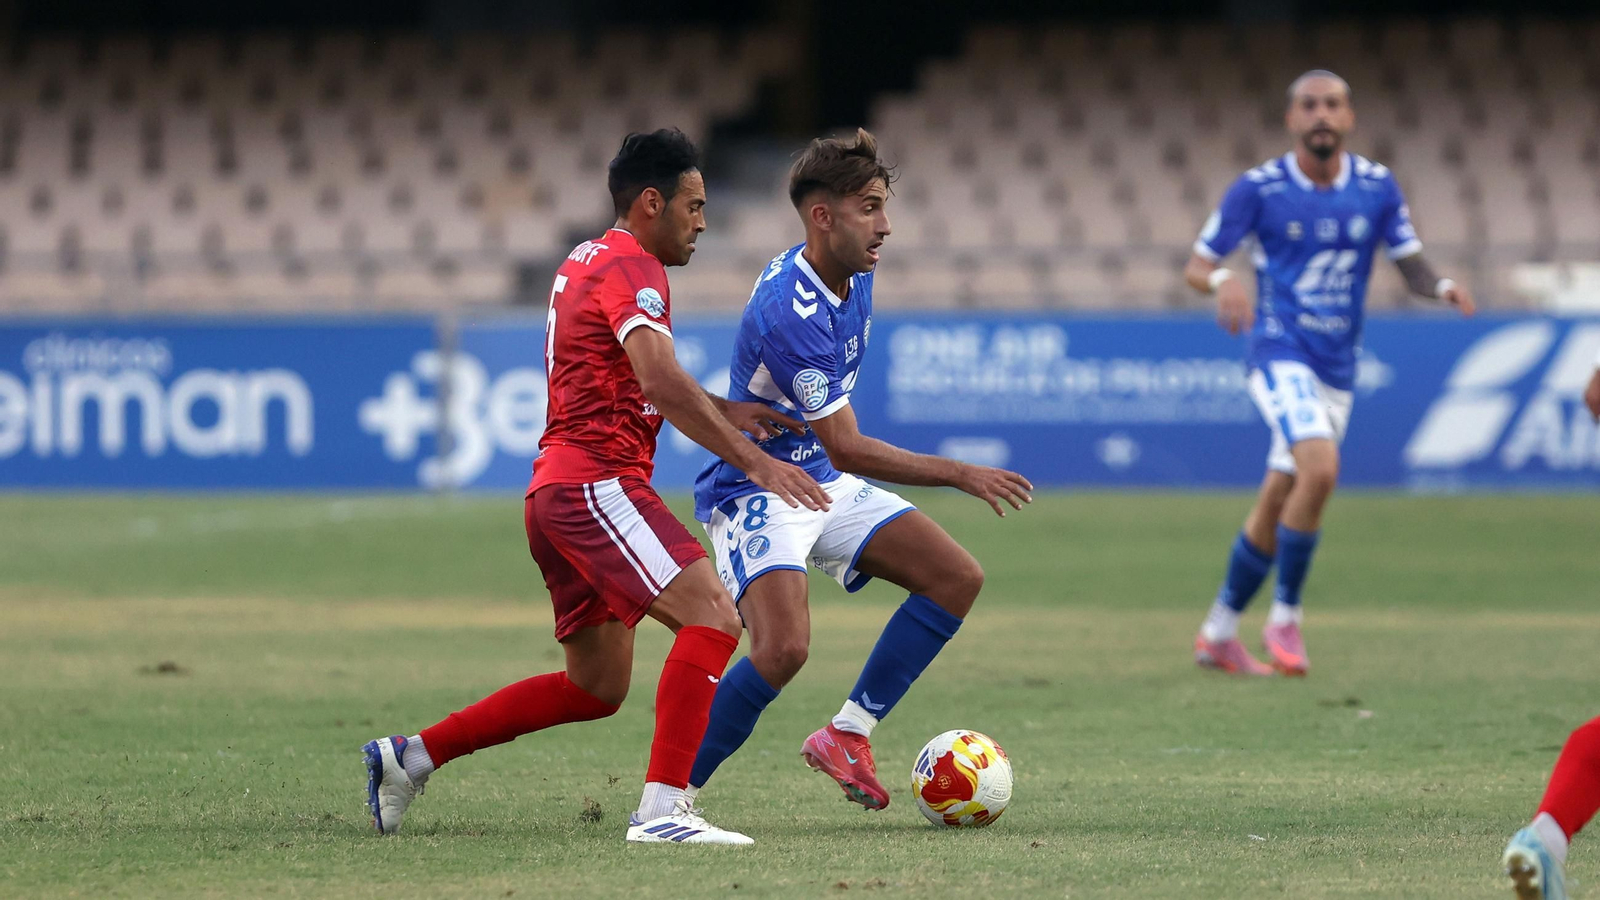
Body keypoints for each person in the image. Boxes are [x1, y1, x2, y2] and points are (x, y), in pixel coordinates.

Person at [361, 128, 831, 845]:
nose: (702, 221)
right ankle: (664, 812)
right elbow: (656, 379)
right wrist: (754, 459)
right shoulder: (635, 266)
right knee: (714, 615)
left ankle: (410, 757)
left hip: (556, 494)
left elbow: (630, 378)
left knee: (596, 687)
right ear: (652, 202)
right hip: (596, 485)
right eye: (694, 205)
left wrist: (725, 409)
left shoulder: (590, 258)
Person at [681, 129, 1033, 812]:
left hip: (818, 480)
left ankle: (848, 733)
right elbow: (846, 445)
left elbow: (833, 454)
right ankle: (672, 795)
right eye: (869, 207)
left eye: (883, 206)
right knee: (782, 649)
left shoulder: (855, 269)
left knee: (955, 576)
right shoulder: (791, 310)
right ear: (823, 216)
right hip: (757, 488)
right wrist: (959, 472)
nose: (886, 225)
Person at [1185, 70, 1475, 677]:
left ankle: (1217, 631)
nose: (1322, 114)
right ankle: (1285, 617)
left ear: (1349, 117)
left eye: (1333, 104)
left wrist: (1442, 286)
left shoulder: (1375, 186)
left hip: (1337, 367)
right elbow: (1198, 263)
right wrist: (1224, 279)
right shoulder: (1259, 189)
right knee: (1319, 468)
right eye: (1310, 105)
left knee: (1279, 495)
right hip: (1279, 350)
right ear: (1292, 118)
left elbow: (1410, 263)